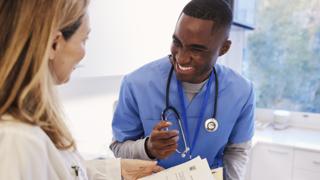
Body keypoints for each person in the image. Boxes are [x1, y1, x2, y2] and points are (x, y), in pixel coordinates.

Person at [0, 0, 164, 179]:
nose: (83, 53)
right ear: (54, 44)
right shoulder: (16, 137)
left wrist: (117, 169)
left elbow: (58, 170)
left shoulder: (27, 126)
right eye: (83, 40)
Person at [110, 0, 255, 179]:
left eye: (197, 49)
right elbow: (118, 148)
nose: (182, 57)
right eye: (177, 42)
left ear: (223, 49)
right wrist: (147, 148)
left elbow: (237, 152)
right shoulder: (136, 83)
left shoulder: (242, 91)